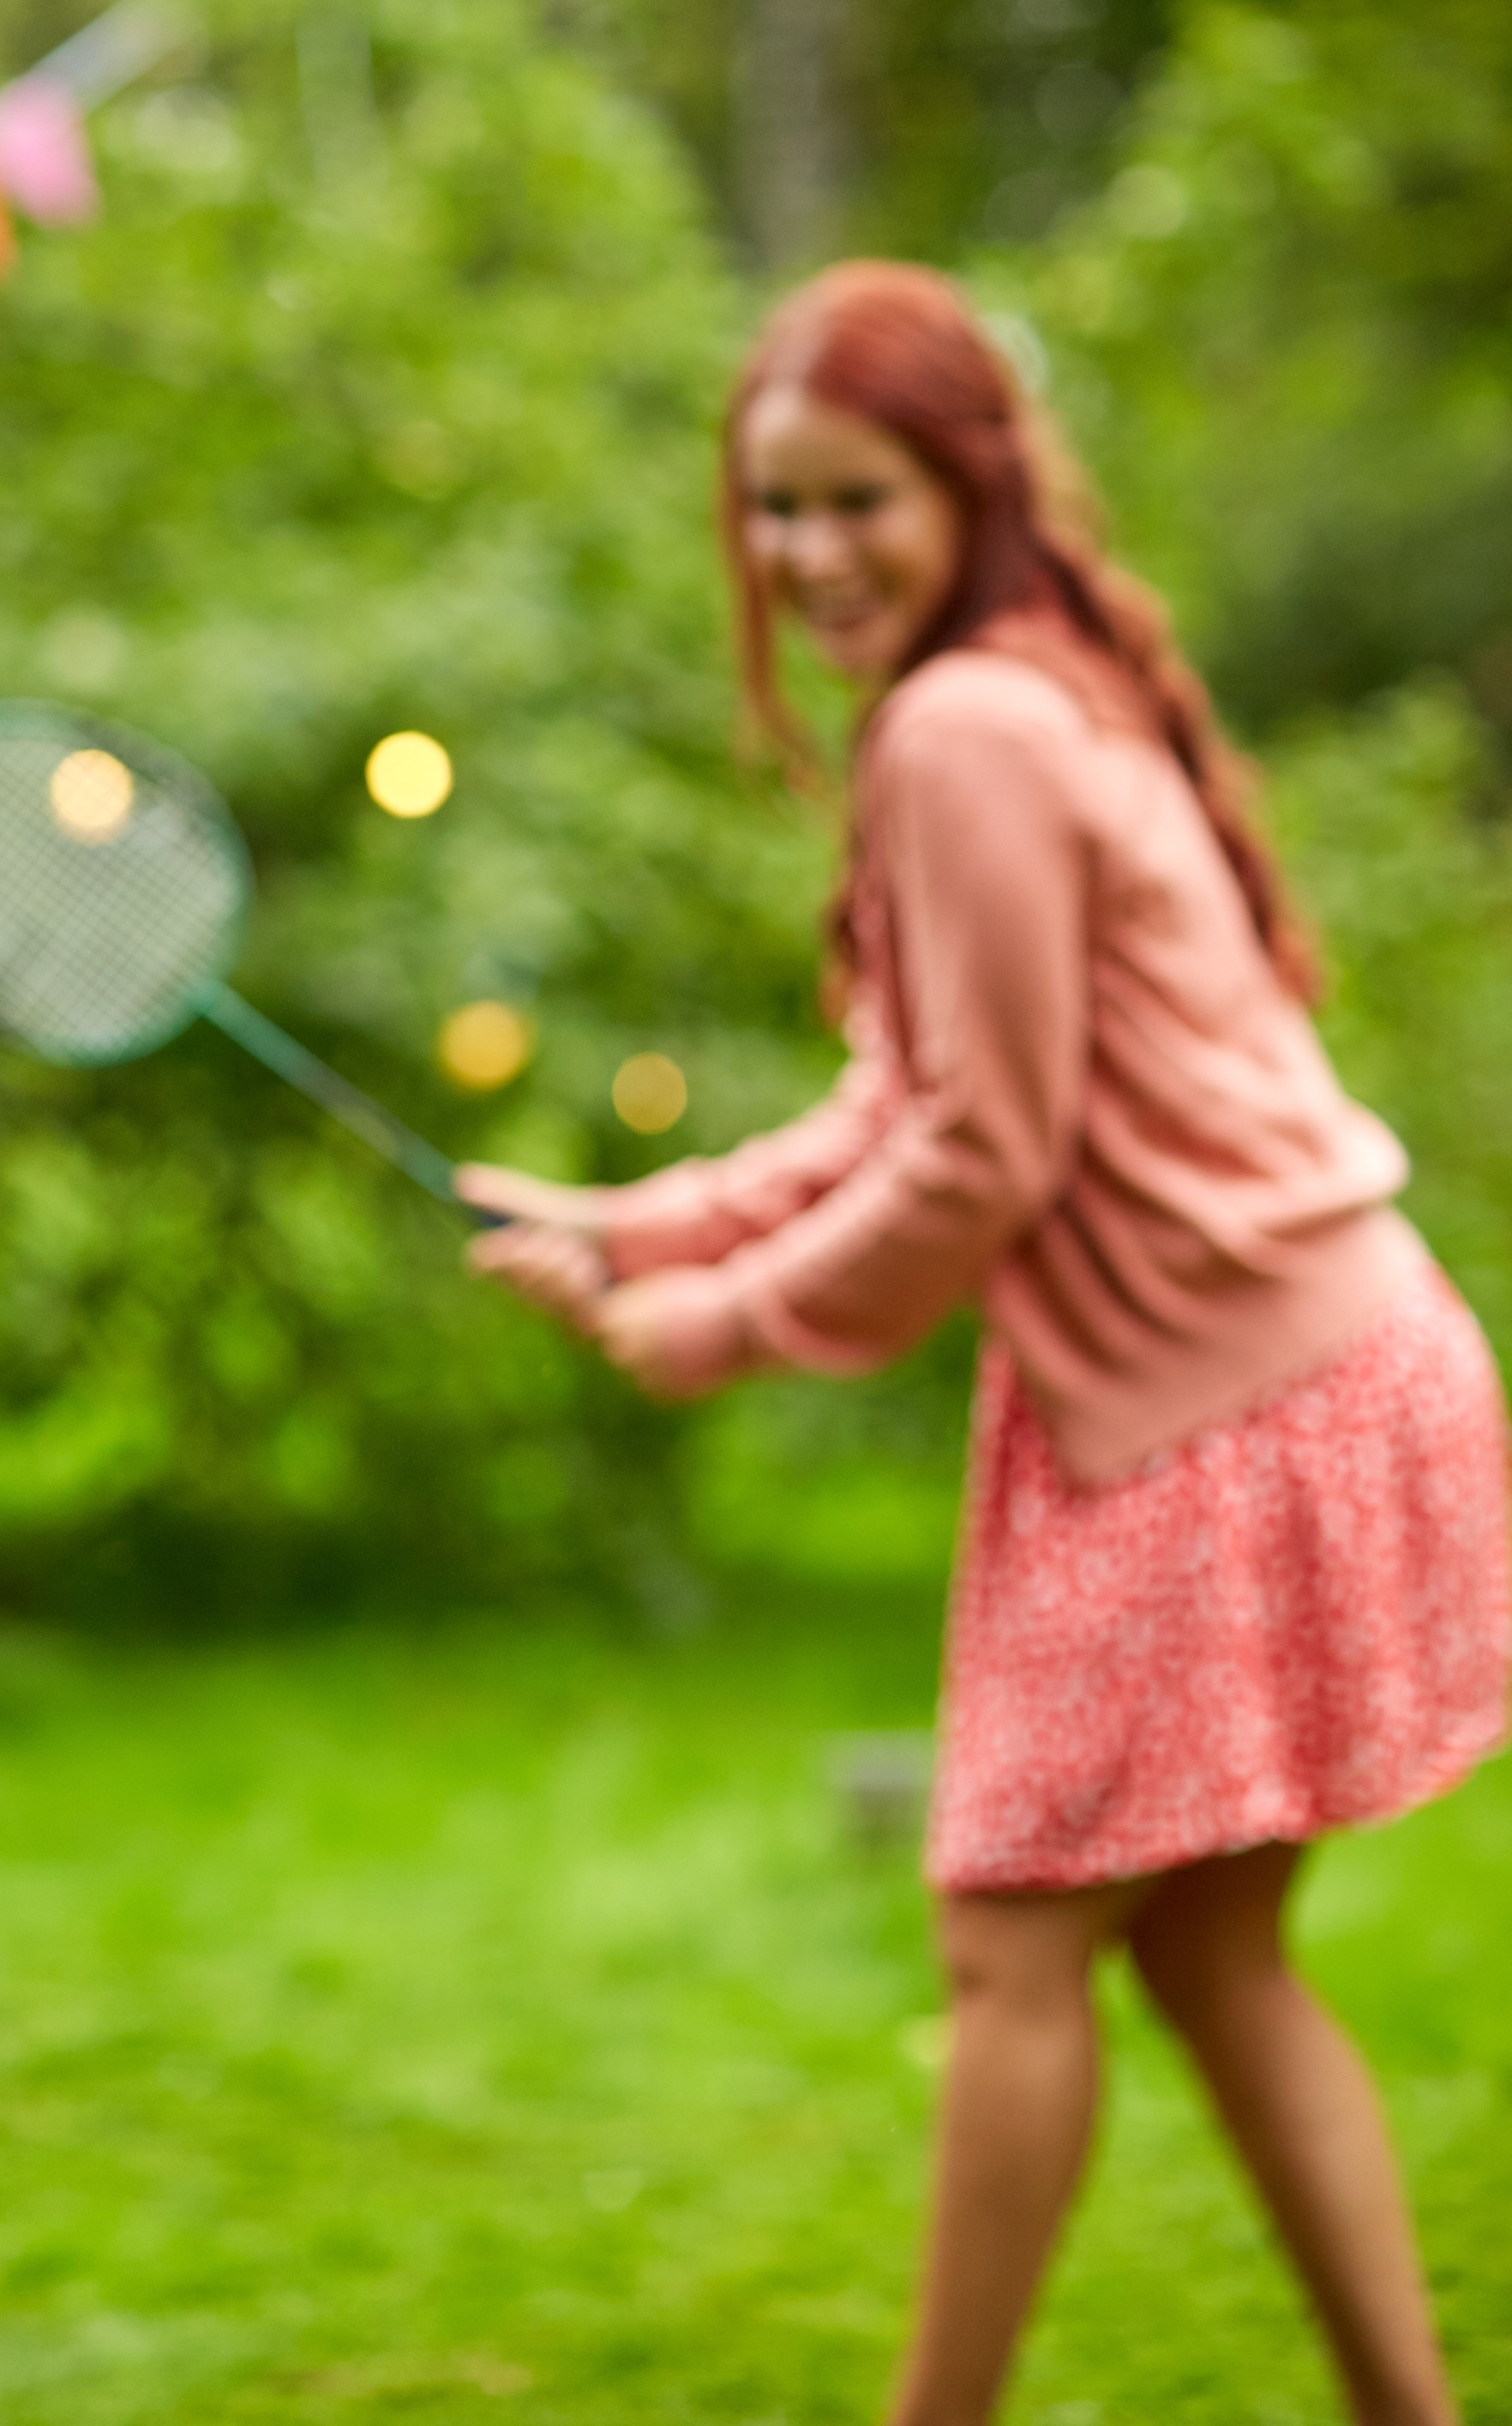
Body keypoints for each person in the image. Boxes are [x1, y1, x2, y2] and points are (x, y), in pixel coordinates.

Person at [463, 261, 1503, 2426]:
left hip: (1229, 1410)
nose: (809, 553)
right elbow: (908, 1097)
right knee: (1210, 1959)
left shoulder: (962, 727)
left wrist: (717, 1327)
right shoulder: (1019, 692)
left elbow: (977, 1155)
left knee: (1012, 1943)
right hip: (1331, 1355)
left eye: (856, 500)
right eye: (772, 511)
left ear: (967, 483)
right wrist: (632, 1219)